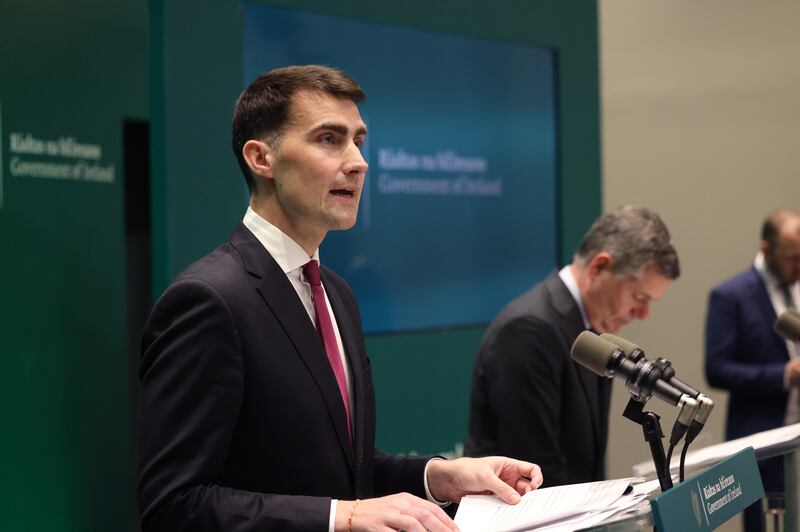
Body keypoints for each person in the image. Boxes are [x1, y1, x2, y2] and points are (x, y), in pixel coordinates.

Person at [137, 65, 542, 532]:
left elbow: (338, 469)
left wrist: (440, 476)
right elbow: (174, 505)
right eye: (329, 139)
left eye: (359, 141)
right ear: (260, 158)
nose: (358, 161)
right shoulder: (207, 300)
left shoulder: (336, 293)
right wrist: (341, 517)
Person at [465, 206, 680, 487]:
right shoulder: (529, 331)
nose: (643, 314)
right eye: (639, 297)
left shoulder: (594, 334)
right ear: (599, 266)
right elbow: (536, 473)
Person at [705, 209, 800, 532]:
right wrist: (784, 376)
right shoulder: (730, 296)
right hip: (764, 444)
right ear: (766, 249)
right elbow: (717, 369)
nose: (799, 267)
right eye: (792, 258)